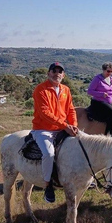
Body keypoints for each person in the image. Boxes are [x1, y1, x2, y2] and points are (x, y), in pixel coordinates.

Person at [32, 62, 79, 203]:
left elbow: (71, 110)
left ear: (63, 75)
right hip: (43, 130)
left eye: (60, 71)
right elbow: (45, 113)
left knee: (79, 148)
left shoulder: (65, 90)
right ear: (48, 73)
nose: (57, 73)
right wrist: (65, 126)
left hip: (62, 128)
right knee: (49, 154)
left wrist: (74, 125)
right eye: (54, 71)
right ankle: (48, 185)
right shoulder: (40, 90)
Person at [87, 62, 112, 135]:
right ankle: (108, 134)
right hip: (98, 103)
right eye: (108, 71)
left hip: (108, 103)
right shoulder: (97, 79)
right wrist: (101, 94)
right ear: (103, 70)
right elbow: (90, 91)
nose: (110, 73)